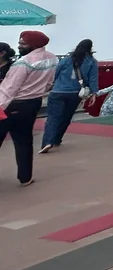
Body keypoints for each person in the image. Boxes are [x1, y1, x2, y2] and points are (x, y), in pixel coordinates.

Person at [0, 31, 58, 186]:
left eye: (23, 44)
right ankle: (25, 178)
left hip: (11, 105)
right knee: (24, 141)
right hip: (32, 104)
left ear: (34, 45)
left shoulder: (22, 63)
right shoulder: (53, 58)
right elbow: (49, 83)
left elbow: (8, 89)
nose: (19, 46)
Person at [40, 39, 99, 153]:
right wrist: (94, 93)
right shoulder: (92, 62)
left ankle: (47, 142)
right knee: (66, 117)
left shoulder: (66, 60)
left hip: (57, 92)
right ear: (90, 49)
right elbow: (93, 79)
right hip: (74, 94)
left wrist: (51, 87)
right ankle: (56, 139)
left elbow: (55, 75)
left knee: (53, 118)